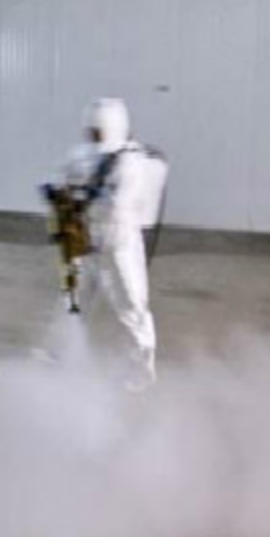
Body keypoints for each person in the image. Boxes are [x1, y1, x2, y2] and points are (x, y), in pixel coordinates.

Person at [63, 98, 157, 391]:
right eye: (90, 132)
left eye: (97, 133)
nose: (91, 138)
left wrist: (83, 194)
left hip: (120, 246)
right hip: (88, 241)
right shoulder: (83, 156)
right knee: (74, 300)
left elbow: (117, 205)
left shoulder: (131, 162)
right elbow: (67, 188)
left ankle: (141, 371)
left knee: (131, 307)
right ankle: (65, 354)